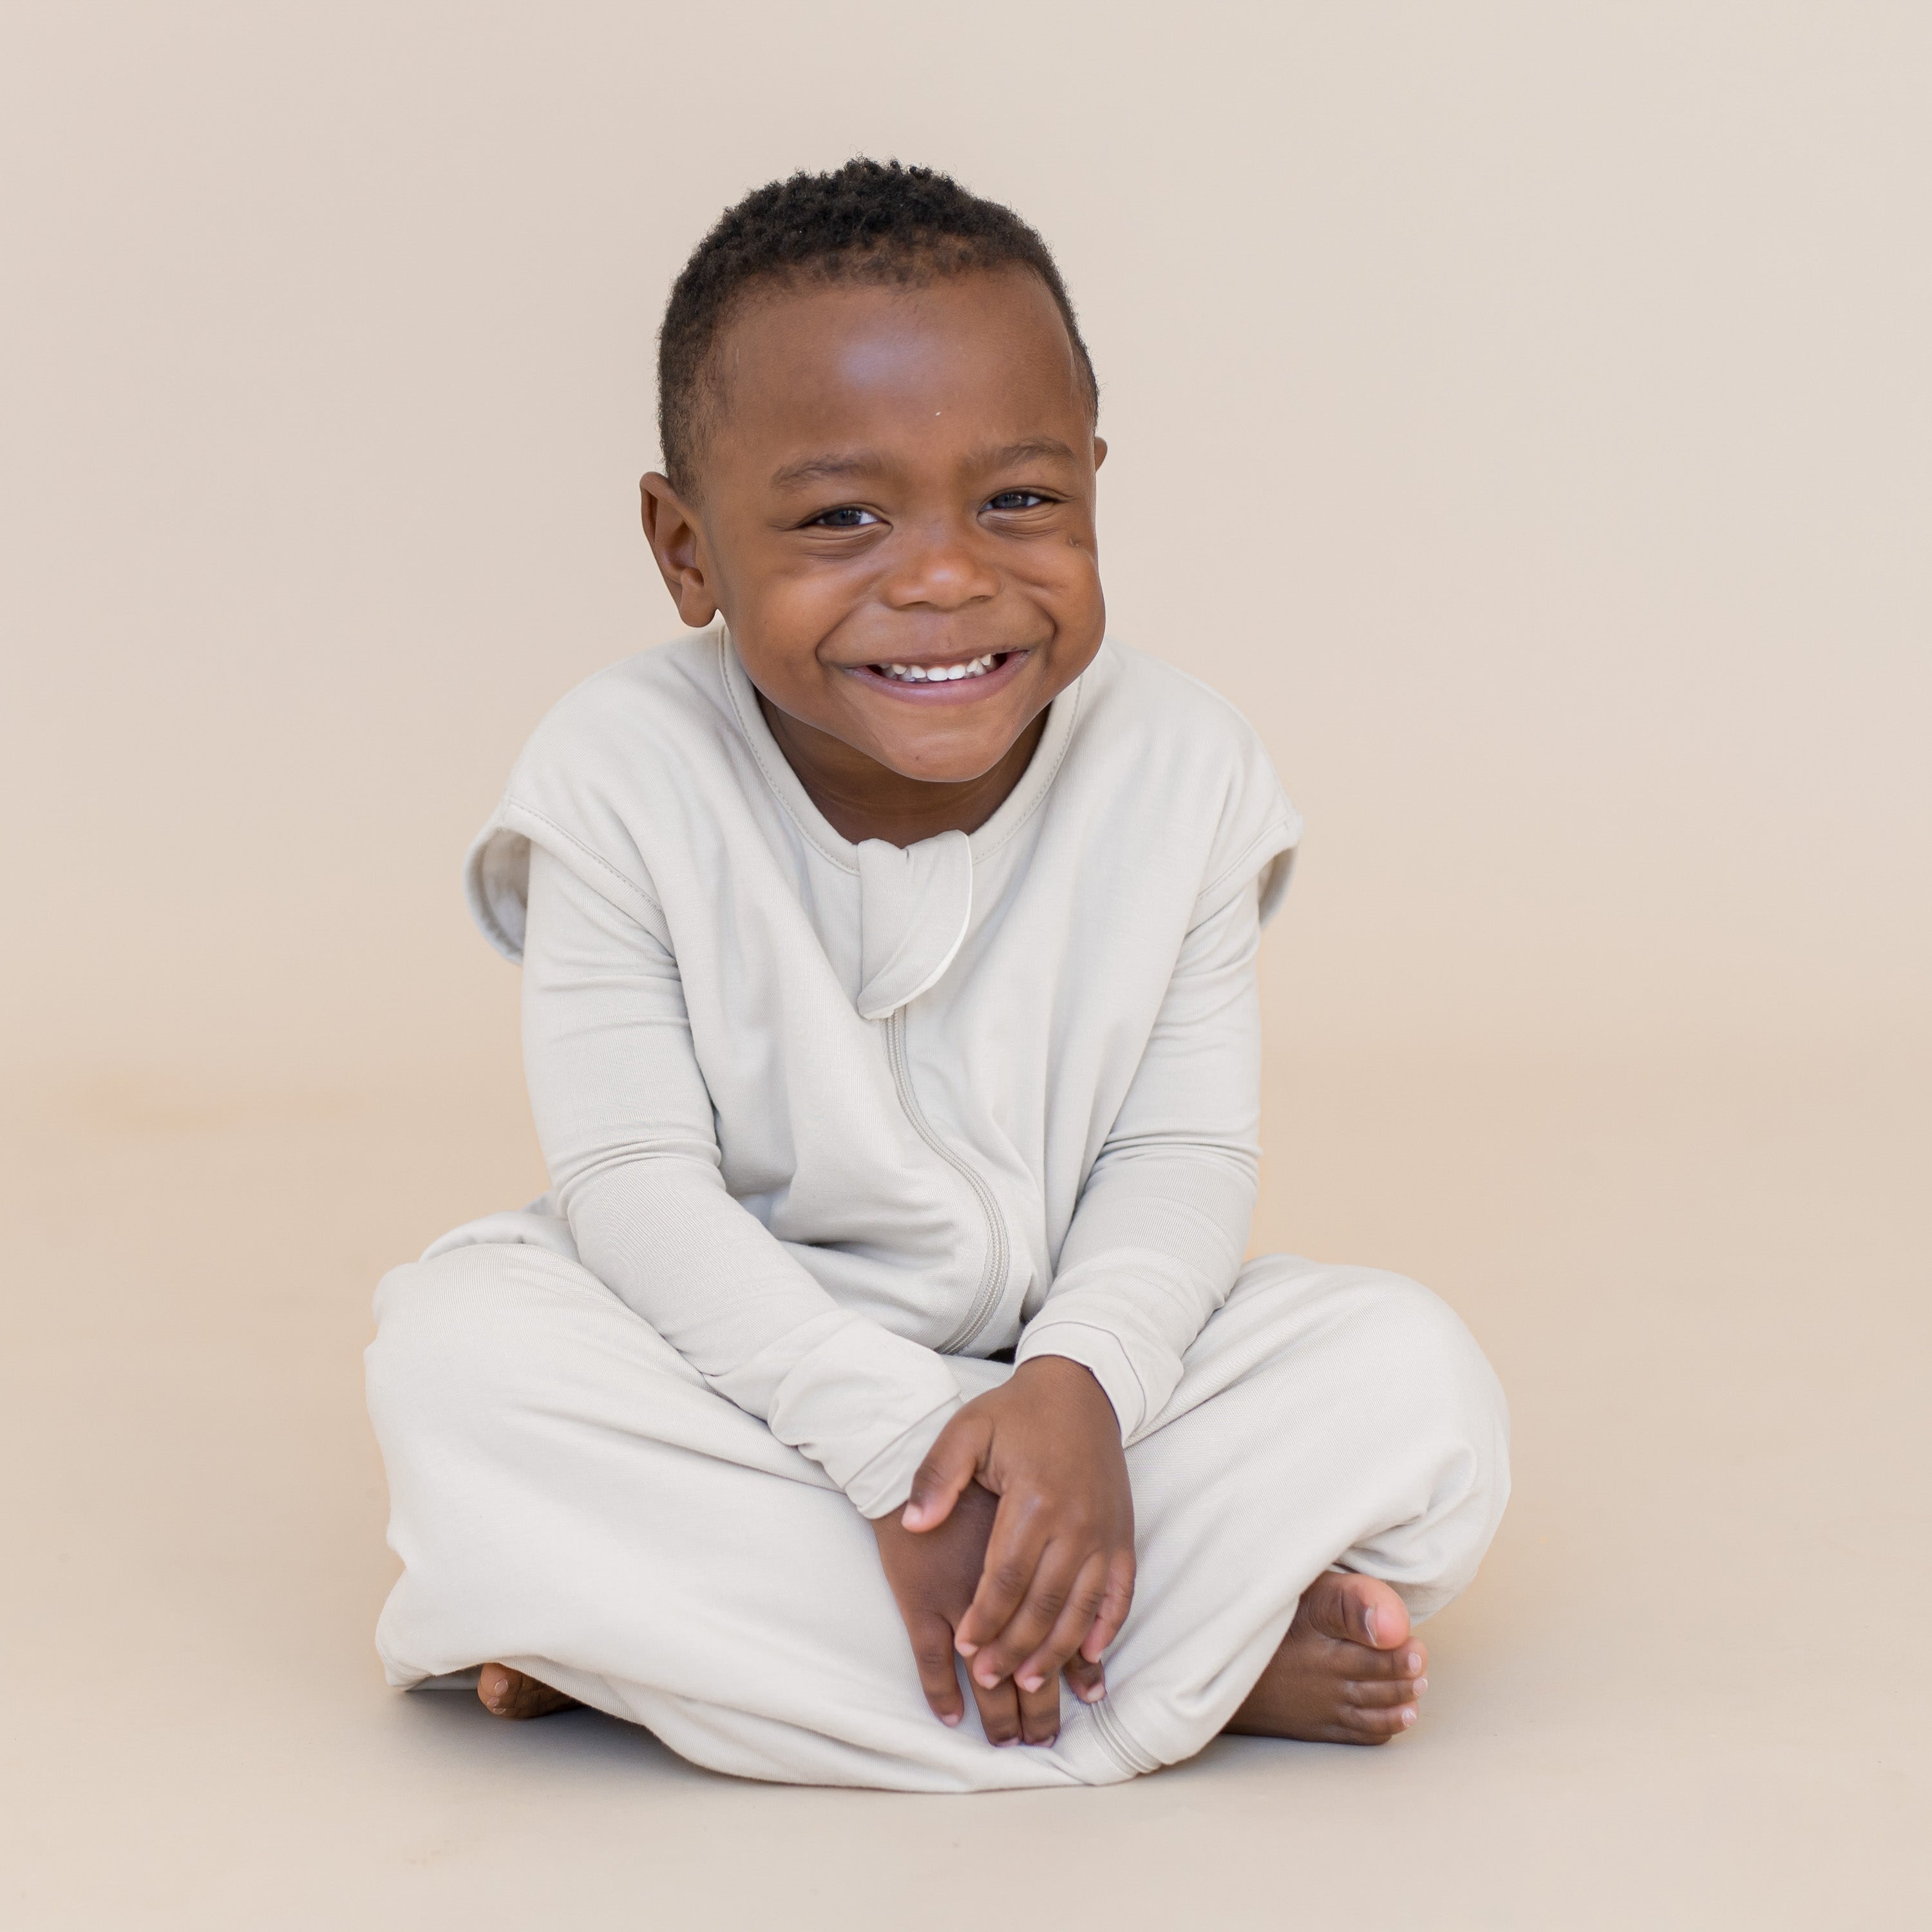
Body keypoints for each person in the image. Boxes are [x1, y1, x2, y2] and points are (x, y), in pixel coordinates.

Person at [365, 158, 1510, 1792]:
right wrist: (897, 1453)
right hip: (737, 1380)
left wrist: (1082, 1386)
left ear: (1098, 488)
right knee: (456, 1354)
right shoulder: (616, 772)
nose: (947, 576)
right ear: (684, 548)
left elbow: (1177, 1157)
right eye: (843, 517)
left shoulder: (1181, 767)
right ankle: (1160, 1664)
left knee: (1418, 1384)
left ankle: (650, 1643)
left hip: (1066, 1397)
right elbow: (631, 1183)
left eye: (1021, 502)